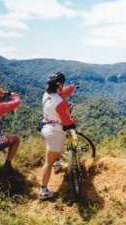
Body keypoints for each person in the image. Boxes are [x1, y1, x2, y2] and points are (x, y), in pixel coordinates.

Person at [39, 72, 77, 200]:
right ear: (59, 84)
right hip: (55, 131)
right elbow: (67, 123)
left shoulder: (47, 95)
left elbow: (62, 93)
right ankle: (43, 191)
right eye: (63, 84)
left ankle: (57, 163)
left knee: (54, 154)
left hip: (46, 127)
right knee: (48, 162)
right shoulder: (60, 103)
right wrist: (73, 121)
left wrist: (73, 87)